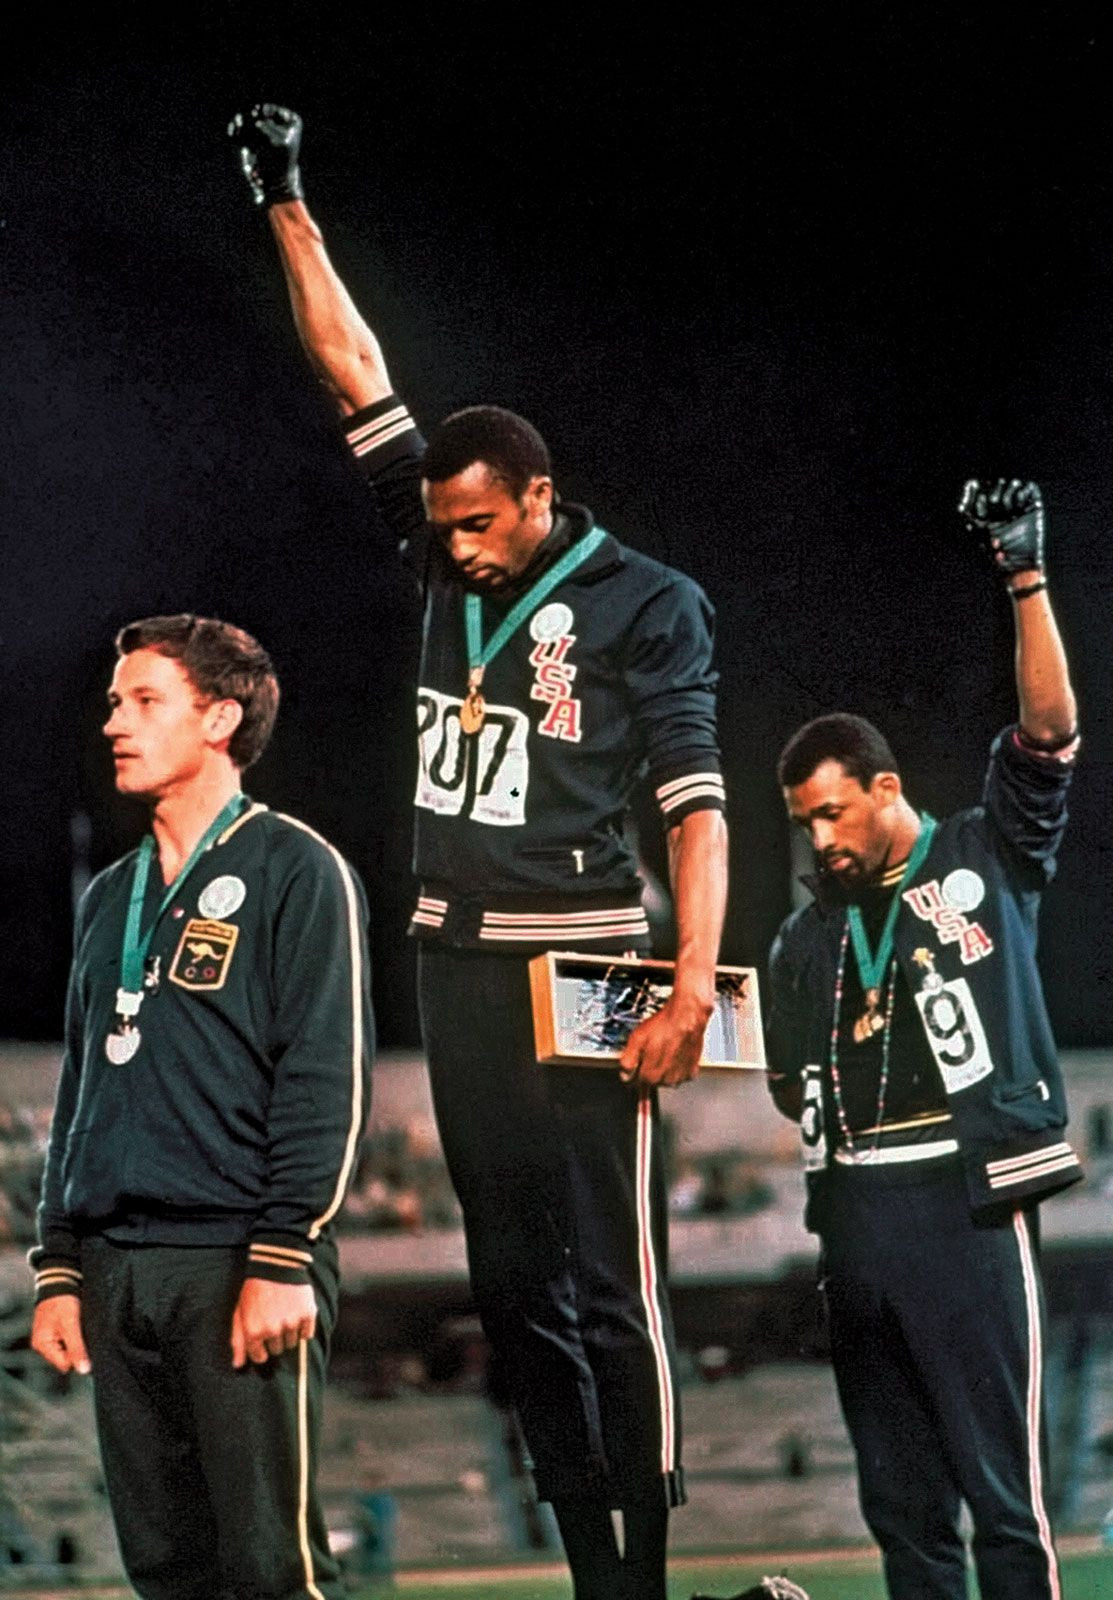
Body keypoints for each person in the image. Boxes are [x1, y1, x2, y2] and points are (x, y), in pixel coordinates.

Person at [228, 105, 729, 1600]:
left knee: (612, 1288)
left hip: (585, 969)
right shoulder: (440, 541)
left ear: (534, 498)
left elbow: (696, 807)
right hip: (453, 965)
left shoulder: (650, 603)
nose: (447, 552)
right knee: (515, 1298)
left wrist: (690, 984)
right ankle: (587, 1567)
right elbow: (356, 375)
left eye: (471, 528)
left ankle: (643, 1567)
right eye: (436, 530)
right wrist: (287, 203)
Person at [765, 479, 1081, 1600]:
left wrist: (1025, 577)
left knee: (1003, 1500)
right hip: (851, 1215)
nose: (819, 836)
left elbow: (1048, 735)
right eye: (803, 819)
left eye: (834, 812)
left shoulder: (980, 856)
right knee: (900, 1509)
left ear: (886, 789)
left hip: (964, 1202)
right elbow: (780, 1078)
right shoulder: (804, 937)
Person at [30, 614, 373, 1600]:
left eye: (145, 701)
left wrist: (282, 1254)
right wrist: (59, 1267)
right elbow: (81, 1090)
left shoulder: (296, 869)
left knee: (272, 1571)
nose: (114, 724)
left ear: (220, 717)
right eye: (113, 702)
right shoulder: (109, 899)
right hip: (112, 1268)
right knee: (167, 1573)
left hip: (236, 1261)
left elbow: (322, 1079)